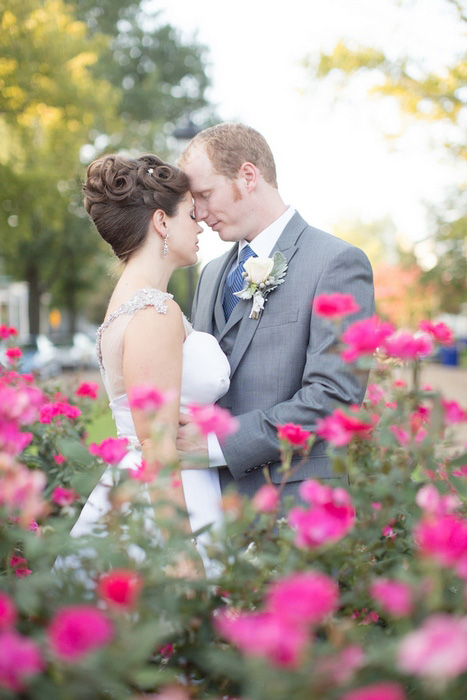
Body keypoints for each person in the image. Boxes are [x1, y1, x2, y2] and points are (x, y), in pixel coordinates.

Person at [177, 122, 375, 505]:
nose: (198, 213)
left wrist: (220, 443)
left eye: (204, 194)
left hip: (296, 502)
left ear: (248, 176)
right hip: (212, 501)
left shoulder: (336, 262)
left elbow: (334, 395)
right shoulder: (212, 273)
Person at [68, 153, 231, 573]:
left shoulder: (130, 302)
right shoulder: (155, 312)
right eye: (190, 216)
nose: (199, 226)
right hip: (167, 500)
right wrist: (183, 557)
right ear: (162, 222)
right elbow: (156, 445)